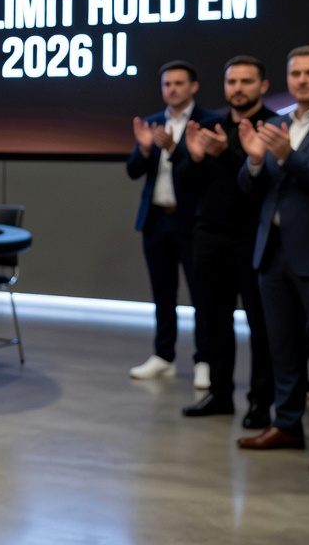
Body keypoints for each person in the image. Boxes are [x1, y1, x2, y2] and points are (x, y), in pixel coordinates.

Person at [236, 45, 309, 473]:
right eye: (296, 74)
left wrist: (289, 158)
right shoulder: (275, 122)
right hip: (271, 252)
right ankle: (287, 425)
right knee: (282, 348)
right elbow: (250, 188)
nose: (302, 81)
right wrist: (255, 161)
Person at [175, 56, 275, 426]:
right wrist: (196, 158)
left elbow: (265, 182)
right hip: (208, 236)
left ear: (262, 86)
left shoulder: (272, 125)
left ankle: (260, 403)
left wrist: (228, 153)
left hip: (252, 239)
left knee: (261, 325)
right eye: (232, 82)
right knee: (213, 320)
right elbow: (186, 181)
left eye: (247, 82)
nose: (238, 89)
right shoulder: (209, 123)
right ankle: (219, 394)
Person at [127, 60, 218, 381]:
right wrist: (144, 148)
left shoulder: (209, 122)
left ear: (193, 86)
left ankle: (204, 361)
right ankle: (163, 355)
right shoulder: (152, 123)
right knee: (162, 293)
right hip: (156, 220)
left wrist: (175, 148)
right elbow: (133, 171)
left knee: (202, 295)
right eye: (167, 84)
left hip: (193, 222)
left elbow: (205, 173)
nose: (172, 89)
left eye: (179, 83)